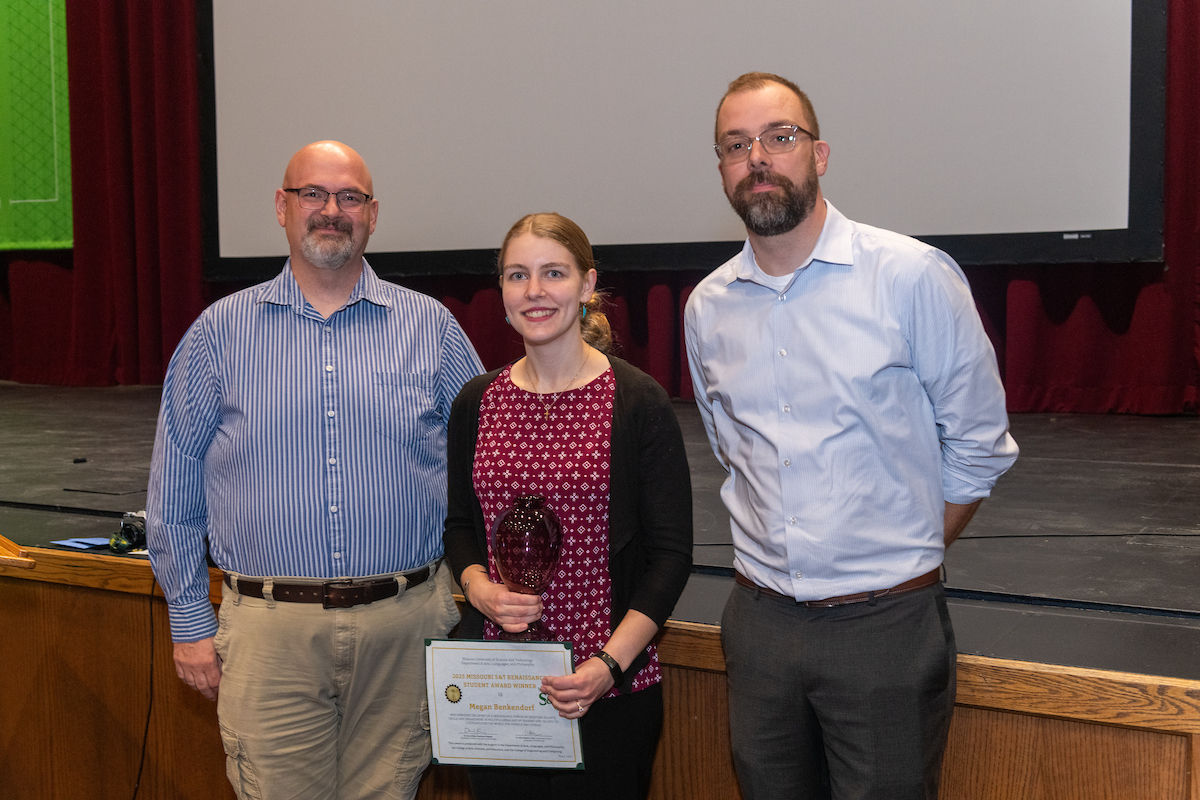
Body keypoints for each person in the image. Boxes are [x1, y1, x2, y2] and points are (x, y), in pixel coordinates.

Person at [684, 73, 1019, 800]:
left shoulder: (911, 277)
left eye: (779, 137)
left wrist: (901, 558)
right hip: (760, 624)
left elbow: (978, 446)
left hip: (887, 630)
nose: (758, 159)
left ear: (820, 153)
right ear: (721, 170)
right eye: (736, 146)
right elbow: (732, 451)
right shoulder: (707, 307)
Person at [146, 140, 483, 800]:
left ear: (373, 214)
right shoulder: (219, 333)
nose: (332, 210)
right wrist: (189, 623)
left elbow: (487, 463)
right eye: (314, 195)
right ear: (282, 206)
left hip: (405, 628)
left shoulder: (432, 329)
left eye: (350, 197)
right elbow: (174, 492)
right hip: (270, 639)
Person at [443, 212, 693, 800]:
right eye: (517, 275)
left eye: (552, 273)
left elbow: (670, 556)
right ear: (501, 293)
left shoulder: (637, 401)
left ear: (586, 286)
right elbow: (459, 527)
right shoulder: (477, 402)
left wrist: (606, 666)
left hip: (607, 688)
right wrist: (479, 589)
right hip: (497, 685)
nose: (534, 291)